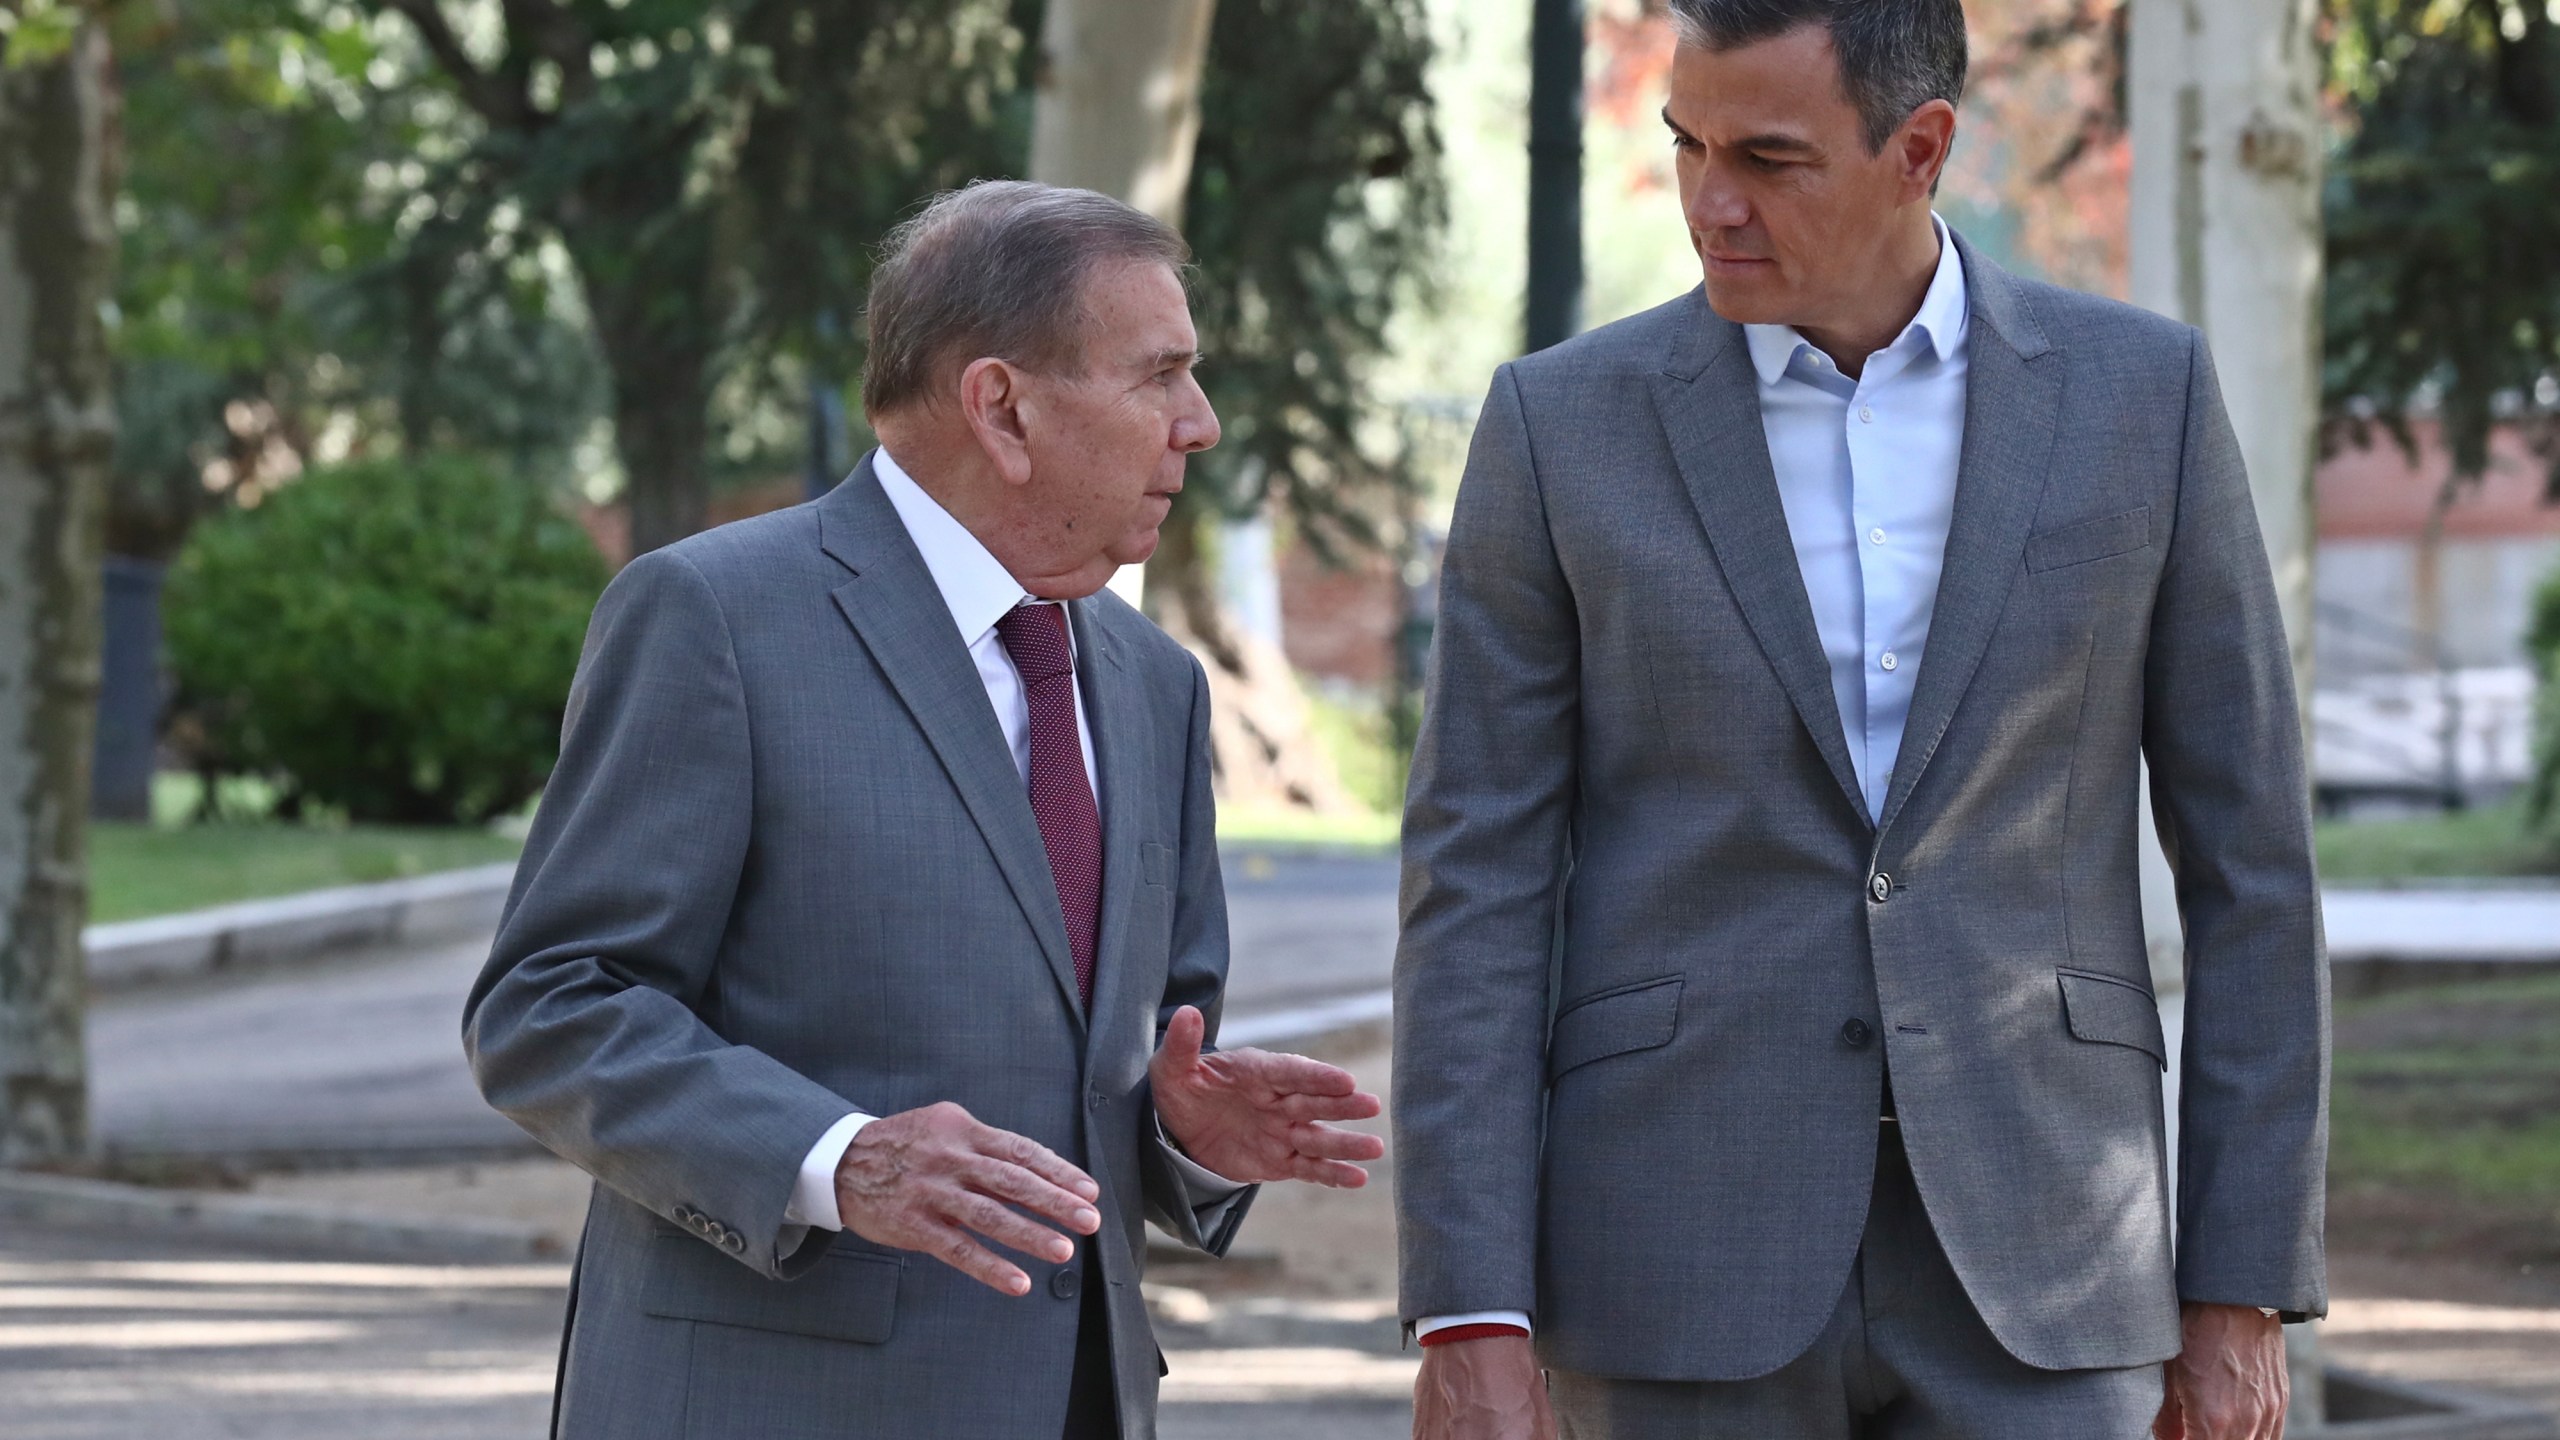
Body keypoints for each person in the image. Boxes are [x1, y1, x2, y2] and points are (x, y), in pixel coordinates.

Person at [1392, 3, 2327, 1437]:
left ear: (1921, 149)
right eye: (1687, 143)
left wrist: (2240, 1282)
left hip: (2051, 1254)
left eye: (1769, 158)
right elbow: (1477, 884)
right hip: (1674, 1262)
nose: (1710, 202)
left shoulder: (2148, 401)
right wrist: (1469, 1305)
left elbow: (2253, 871)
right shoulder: (1557, 427)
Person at [465, 180, 1386, 1440]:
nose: (1201, 425)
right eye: (1160, 376)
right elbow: (549, 1007)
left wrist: (1186, 1134)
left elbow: (1127, 1057)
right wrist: (836, 1159)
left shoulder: (1152, 681)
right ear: (1001, 405)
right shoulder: (717, 618)